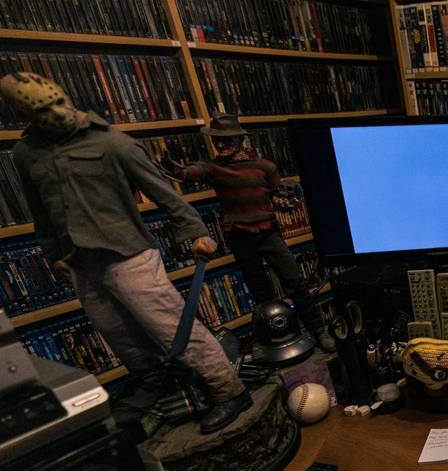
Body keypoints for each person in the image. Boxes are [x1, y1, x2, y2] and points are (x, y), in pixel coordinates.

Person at [1, 72, 250, 433]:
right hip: (79, 260)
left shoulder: (111, 142)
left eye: (57, 102)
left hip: (128, 254)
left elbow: (161, 189)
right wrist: (53, 252)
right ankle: (158, 387)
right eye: (41, 110)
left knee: (172, 328)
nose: (55, 113)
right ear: (24, 114)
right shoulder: (26, 154)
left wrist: (195, 230)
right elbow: (40, 209)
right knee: (118, 334)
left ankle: (229, 390)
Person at [177, 113, 335, 353]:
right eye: (217, 140)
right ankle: (278, 337)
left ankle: (319, 329)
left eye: (227, 139)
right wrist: (174, 170)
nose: (221, 144)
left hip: (268, 232)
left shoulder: (265, 167)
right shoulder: (213, 168)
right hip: (239, 235)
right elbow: (190, 173)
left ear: (240, 139)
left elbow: (279, 194)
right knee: (260, 290)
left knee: (294, 282)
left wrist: (286, 200)